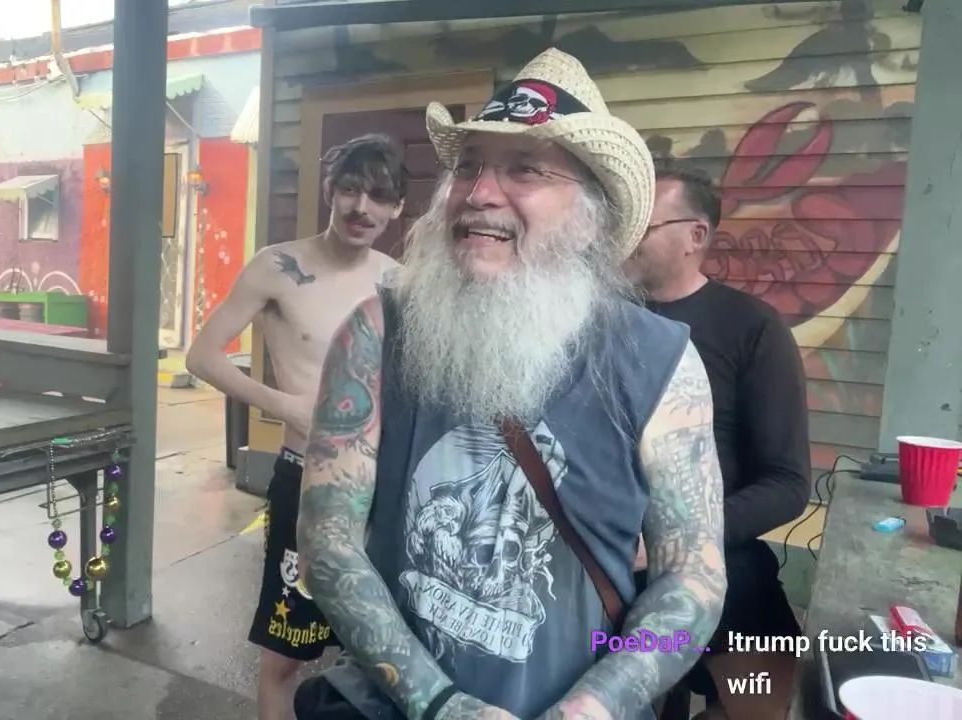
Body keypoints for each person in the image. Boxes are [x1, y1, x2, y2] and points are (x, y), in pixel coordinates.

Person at [292, 48, 728, 720]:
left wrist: (597, 706)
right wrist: (439, 704)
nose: (479, 193)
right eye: (468, 166)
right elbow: (327, 543)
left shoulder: (660, 362)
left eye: (523, 168)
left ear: (589, 212)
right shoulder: (378, 333)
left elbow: (693, 582)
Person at [185, 134, 405, 720]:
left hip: (379, 488)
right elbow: (201, 357)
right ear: (330, 191)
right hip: (304, 481)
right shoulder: (278, 267)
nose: (362, 207)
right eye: (351, 189)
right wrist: (288, 406)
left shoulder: (397, 282)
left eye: (379, 196)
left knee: (380, 651)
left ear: (397, 208)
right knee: (286, 656)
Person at [624, 158, 811, 720]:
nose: (625, 238)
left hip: (721, 560)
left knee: (769, 704)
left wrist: (681, 540)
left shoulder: (752, 327)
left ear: (695, 236)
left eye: (643, 225)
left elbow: (787, 484)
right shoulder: (599, 320)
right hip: (604, 565)